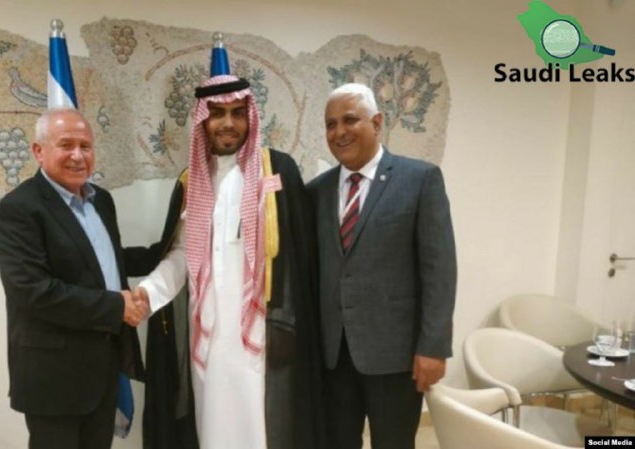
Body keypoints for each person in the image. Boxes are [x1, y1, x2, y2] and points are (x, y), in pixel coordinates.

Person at [127, 37, 324, 449]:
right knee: (212, 426)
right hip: (208, 333)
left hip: (262, 334)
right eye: (217, 113)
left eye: (237, 113)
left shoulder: (277, 168)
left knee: (264, 427)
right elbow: (182, 253)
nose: (227, 123)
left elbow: (302, 257)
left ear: (250, 117)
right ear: (202, 121)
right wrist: (149, 291)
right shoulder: (192, 182)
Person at [307, 83, 457, 449]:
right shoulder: (315, 192)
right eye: (330, 124)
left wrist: (433, 347)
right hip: (333, 358)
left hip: (397, 356)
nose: (339, 132)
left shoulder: (420, 179)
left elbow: (439, 270)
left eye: (350, 120)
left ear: (376, 123)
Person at [0, 108, 147, 449]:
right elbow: (32, 291)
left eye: (86, 146)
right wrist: (116, 306)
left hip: (103, 369)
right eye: (66, 145)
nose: (78, 156)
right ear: (39, 151)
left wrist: (167, 250)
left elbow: (104, 259)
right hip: (54, 379)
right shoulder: (18, 208)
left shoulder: (101, 200)